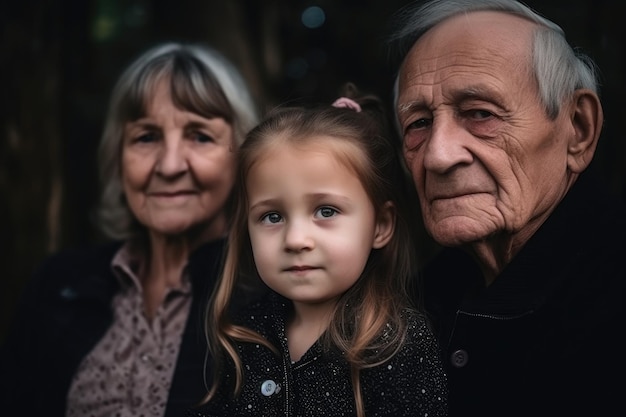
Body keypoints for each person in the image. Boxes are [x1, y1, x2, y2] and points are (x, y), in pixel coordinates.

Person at [388, 0, 626, 416]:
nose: (437, 157)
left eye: (481, 114)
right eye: (419, 125)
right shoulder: (407, 306)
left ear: (578, 130)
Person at [0, 42, 259, 417]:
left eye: (200, 136)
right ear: (117, 155)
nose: (170, 166)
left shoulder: (269, 303)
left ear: (244, 158)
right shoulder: (57, 286)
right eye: (146, 137)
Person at [187, 86, 448, 417]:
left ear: (380, 225)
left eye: (326, 211)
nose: (296, 240)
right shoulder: (244, 334)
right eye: (273, 216)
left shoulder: (396, 343)